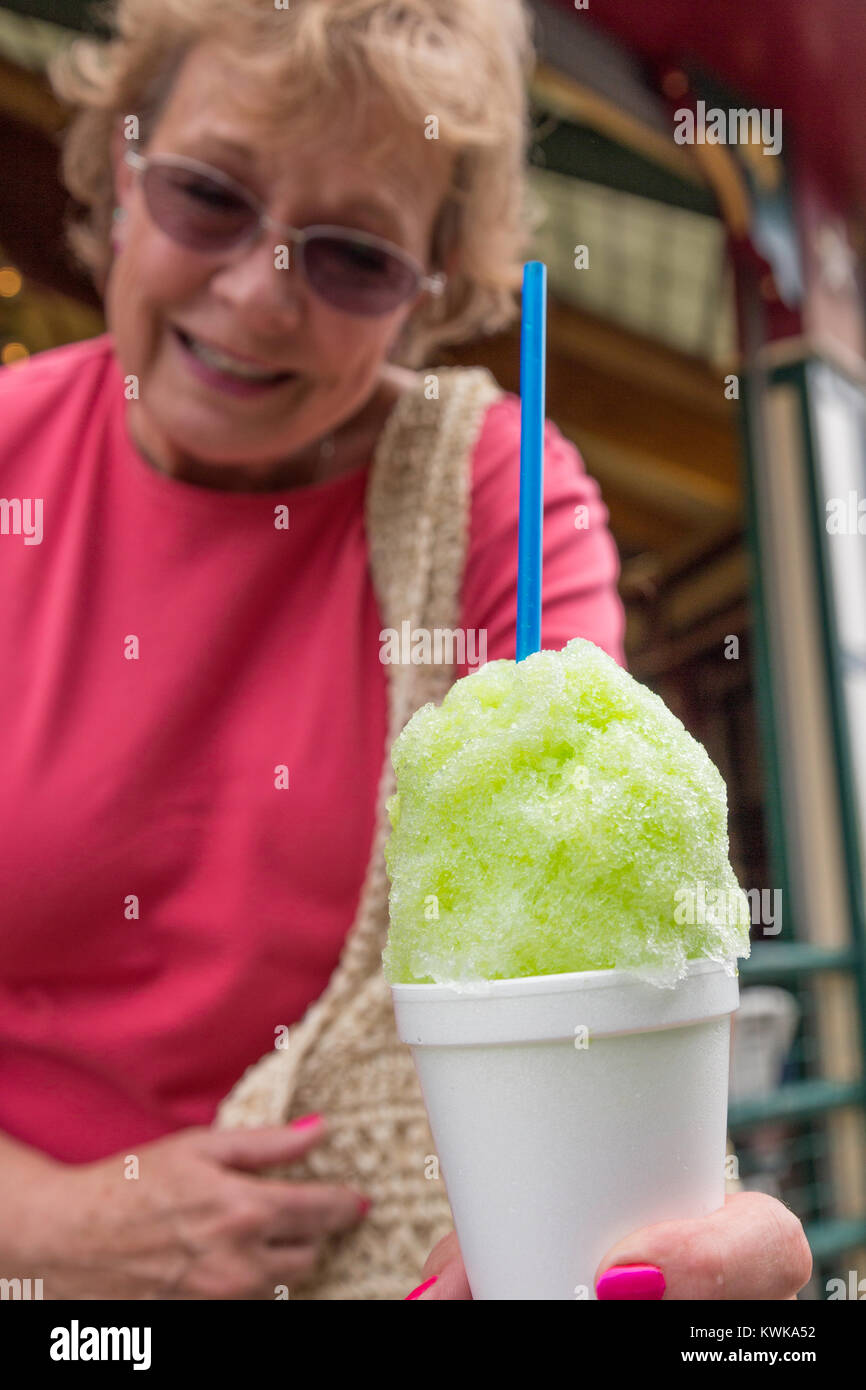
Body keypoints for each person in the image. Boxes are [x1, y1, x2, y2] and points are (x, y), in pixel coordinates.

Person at [0, 0, 810, 1300]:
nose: (259, 294)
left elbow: (579, 981)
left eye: (352, 257)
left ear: (430, 287)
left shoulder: (498, 497)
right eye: (210, 196)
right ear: (117, 166)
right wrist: (59, 1223)